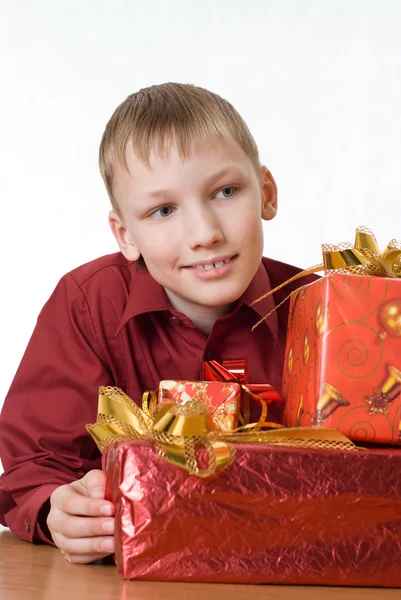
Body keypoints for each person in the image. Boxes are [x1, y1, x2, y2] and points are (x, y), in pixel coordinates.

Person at [0, 83, 316, 564]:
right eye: (163, 210)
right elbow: (35, 467)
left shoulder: (322, 312)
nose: (205, 233)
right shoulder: (88, 304)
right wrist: (56, 510)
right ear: (126, 234)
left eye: (226, 191)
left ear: (266, 194)